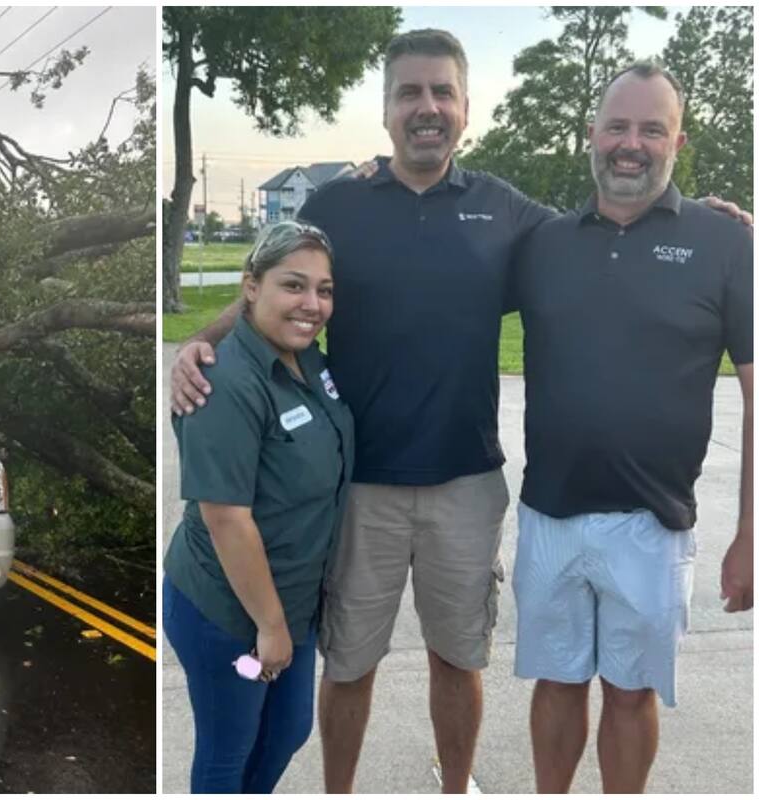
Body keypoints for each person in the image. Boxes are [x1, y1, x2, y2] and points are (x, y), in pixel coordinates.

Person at [171, 29, 554, 793]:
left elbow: (588, 248)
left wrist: (698, 223)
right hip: (358, 489)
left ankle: (455, 785)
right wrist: (196, 343)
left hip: (465, 482)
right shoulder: (337, 204)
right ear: (385, 109)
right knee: (349, 661)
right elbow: (271, 287)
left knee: (458, 656)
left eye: (442, 92)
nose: (427, 107)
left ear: (466, 108)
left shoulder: (502, 210)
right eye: (410, 92)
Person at [510, 62, 752, 794]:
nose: (631, 143)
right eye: (618, 125)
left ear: (678, 139)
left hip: (653, 523)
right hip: (549, 512)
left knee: (630, 692)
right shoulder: (543, 241)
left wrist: (752, 531)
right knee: (555, 682)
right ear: (591, 135)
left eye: (651, 128)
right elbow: (426, 278)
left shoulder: (726, 241)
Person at [164, 220, 355, 793]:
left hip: (288, 604)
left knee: (287, 731)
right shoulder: (225, 383)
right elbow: (226, 517)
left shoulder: (310, 363)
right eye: (293, 286)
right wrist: (269, 628)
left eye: (323, 289)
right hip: (229, 612)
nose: (311, 304)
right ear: (251, 286)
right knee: (228, 753)